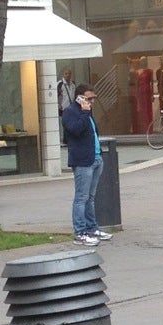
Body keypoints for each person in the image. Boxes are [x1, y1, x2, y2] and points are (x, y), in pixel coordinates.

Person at [61, 83, 111, 246]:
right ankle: (80, 232)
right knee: (81, 197)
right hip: (82, 161)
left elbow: (93, 132)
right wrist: (83, 113)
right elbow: (75, 130)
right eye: (89, 98)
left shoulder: (88, 112)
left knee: (90, 197)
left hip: (95, 158)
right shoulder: (71, 112)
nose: (92, 102)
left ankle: (91, 228)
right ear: (80, 97)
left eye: (93, 98)